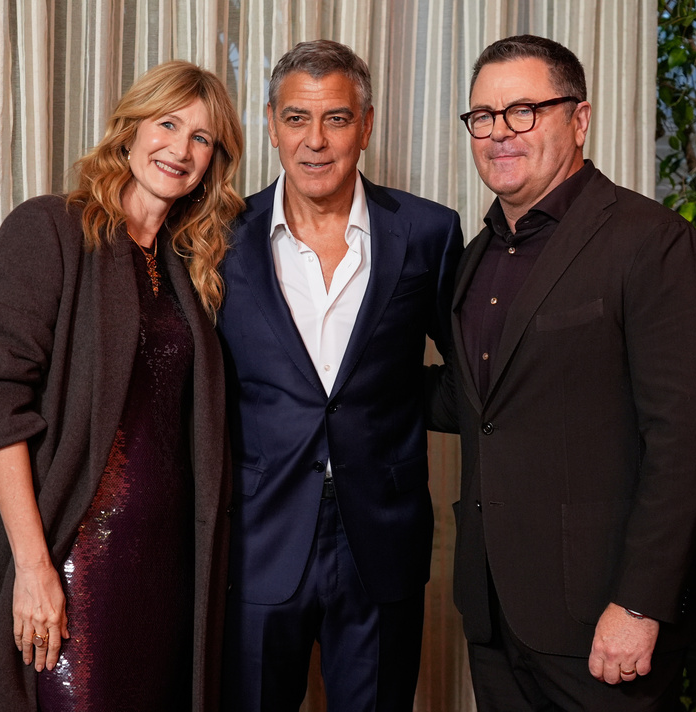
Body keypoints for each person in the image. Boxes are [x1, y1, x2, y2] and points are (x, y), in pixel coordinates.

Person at [427, 35, 696, 711]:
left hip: (603, 621)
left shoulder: (651, 243)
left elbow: (690, 441)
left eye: (524, 110)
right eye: (484, 116)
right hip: (495, 615)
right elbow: (476, 401)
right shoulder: (475, 258)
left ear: (580, 118)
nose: (499, 132)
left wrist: (640, 603)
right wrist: (334, 380)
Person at [0, 60, 243, 712]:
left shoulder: (189, 271)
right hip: (72, 559)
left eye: (202, 138)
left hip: (165, 572)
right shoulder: (51, 228)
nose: (180, 149)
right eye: (167, 123)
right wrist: (34, 567)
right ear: (129, 130)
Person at [217, 40, 463, 711]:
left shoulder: (428, 233)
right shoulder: (216, 237)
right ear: (270, 124)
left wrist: (398, 408)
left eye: (336, 118)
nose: (315, 141)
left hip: (381, 539)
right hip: (259, 538)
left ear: (367, 124)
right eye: (297, 119)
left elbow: (472, 373)